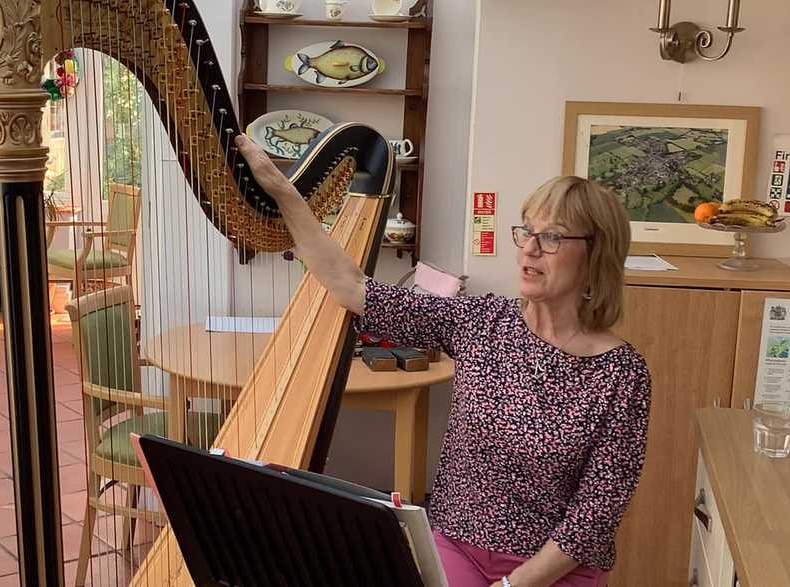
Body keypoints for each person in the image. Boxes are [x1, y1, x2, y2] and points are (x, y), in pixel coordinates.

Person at [235, 135, 652, 587]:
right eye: (527, 231)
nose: (529, 249)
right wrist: (284, 193)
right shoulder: (483, 321)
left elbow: (595, 514)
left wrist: (515, 585)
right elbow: (352, 287)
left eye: (551, 237)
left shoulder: (622, 375)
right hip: (457, 546)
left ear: (597, 254)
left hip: (555, 569)